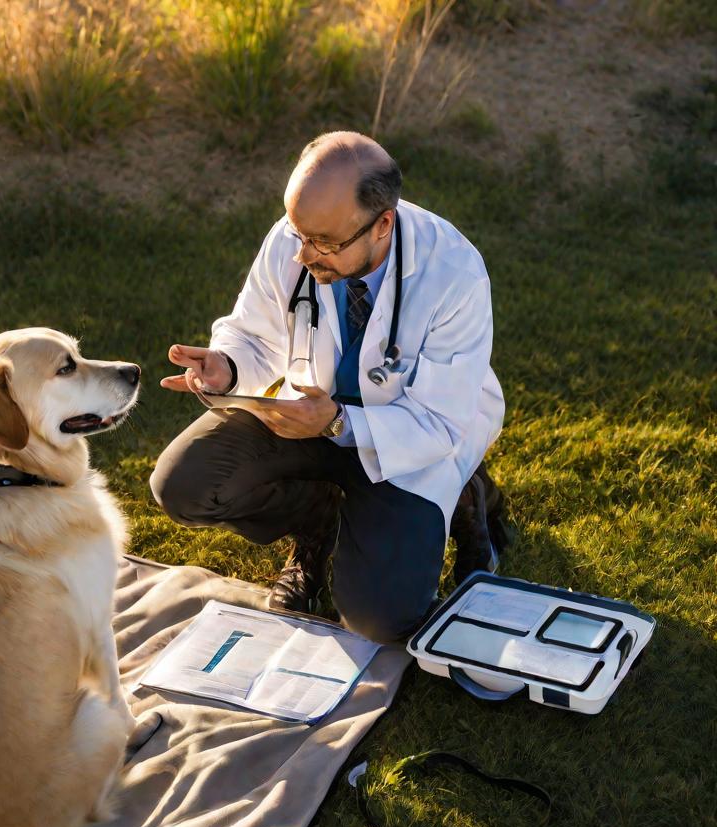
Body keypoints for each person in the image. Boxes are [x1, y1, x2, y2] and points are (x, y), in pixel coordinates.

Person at [150, 131, 508, 644]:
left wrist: (342, 421)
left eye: (324, 244)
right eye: (299, 236)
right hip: (308, 419)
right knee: (183, 485)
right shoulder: (297, 238)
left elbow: (439, 420)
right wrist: (226, 367)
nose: (302, 255)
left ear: (382, 224)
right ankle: (318, 527)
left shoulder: (454, 272)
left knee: (381, 622)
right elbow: (253, 333)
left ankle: (466, 497)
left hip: (411, 443)